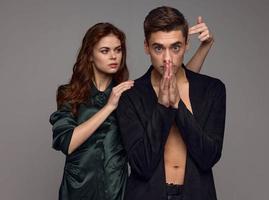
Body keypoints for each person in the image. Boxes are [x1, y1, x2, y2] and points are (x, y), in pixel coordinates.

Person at [49, 18, 213, 200]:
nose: (113, 56)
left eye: (118, 50)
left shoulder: (127, 93)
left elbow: (175, 81)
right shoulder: (70, 94)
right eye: (105, 51)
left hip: (116, 188)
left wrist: (204, 47)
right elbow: (68, 143)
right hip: (79, 188)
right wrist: (109, 107)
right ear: (89, 55)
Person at [116, 6, 226, 200]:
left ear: (186, 45)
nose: (167, 59)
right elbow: (142, 164)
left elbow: (208, 157)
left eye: (175, 47)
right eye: (158, 48)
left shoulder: (212, 89)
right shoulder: (130, 95)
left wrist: (177, 105)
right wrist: (162, 108)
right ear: (146, 47)